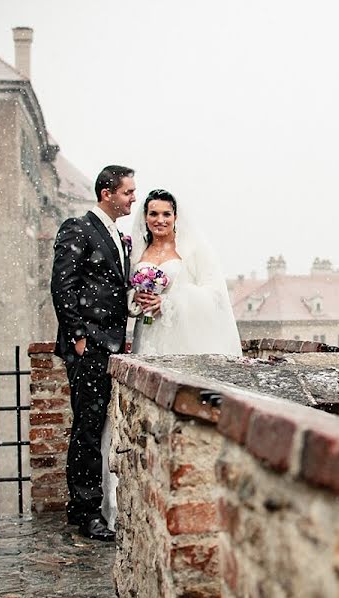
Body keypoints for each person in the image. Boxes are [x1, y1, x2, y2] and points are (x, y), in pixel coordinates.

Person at [100, 188, 241, 529]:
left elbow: (215, 297)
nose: (159, 220)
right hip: (149, 337)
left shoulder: (192, 249)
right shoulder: (138, 253)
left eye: (166, 214)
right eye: (153, 214)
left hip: (184, 338)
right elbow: (129, 297)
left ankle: (186, 483)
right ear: (145, 218)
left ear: (176, 217)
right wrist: (140, 300)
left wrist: (171, 302)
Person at [50, 165, 136, 542]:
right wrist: (79, 337)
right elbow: (62, 286)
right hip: (90, 347)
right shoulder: (78, 227)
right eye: (128, 192)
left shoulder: (118, 235)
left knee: (96, 423)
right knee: (87, 426)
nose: (133, 197)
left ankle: (82, 508)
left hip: (111, 344)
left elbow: (111, 290)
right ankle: (87, 513)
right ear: (106, 193)